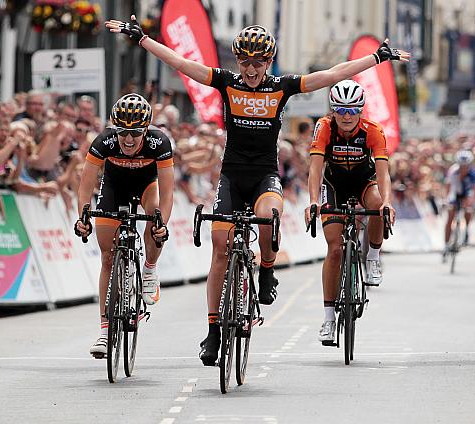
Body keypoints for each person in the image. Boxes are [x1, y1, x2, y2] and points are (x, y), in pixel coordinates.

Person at [106, 17, 409, 365]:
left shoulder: (281, 87)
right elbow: (182, 63)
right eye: (245, 62)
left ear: (269, 61)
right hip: (232, 177)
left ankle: (266, 269)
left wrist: (376, 58)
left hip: (265, 176)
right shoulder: (227, 82)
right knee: (220, 248)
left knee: (267, 219)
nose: (250, 69)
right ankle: (213, 332)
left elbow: (331, 74)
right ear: (238, 61)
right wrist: (144, 39)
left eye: (258, 62)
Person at [74, 94, 174, 358]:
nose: (128, 140)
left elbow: (167, 192)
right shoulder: (103, 141)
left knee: (155, 218)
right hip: (114, 188)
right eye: (123, 133)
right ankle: (105, 332)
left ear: (146, 129)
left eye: (135, 133)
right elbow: (85, 187)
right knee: (107, 259)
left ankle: (150, 269)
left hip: (146, 187)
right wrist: (82, 218)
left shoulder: (159, 143)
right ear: (114, 128)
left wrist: (162, 225)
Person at [304, 80, 396, 344]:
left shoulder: (373, 131)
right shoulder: (323, 127)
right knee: (334, 249)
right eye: (340, 110)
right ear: (332, 110)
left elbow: (383, 173)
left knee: (377, 204)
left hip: (364, 182)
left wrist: (388, 201)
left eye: (352, 110)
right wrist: (312, 200)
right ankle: (329, 318)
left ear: (361, 111)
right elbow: (315, 168)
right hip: (333, 185)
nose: (346, 116)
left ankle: (373, 257)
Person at [443, 150, 475, 258]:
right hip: (455, 193)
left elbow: (474, 190)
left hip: (466, 193)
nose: (464, 169)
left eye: (466, 166)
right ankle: (446, 244)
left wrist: (471, 203)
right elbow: (449, 187)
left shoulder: (472, 174)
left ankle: (466, 229)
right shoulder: (453, 171)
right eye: (462, 166)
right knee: (450, 216)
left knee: (468, 208)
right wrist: (446, 200)